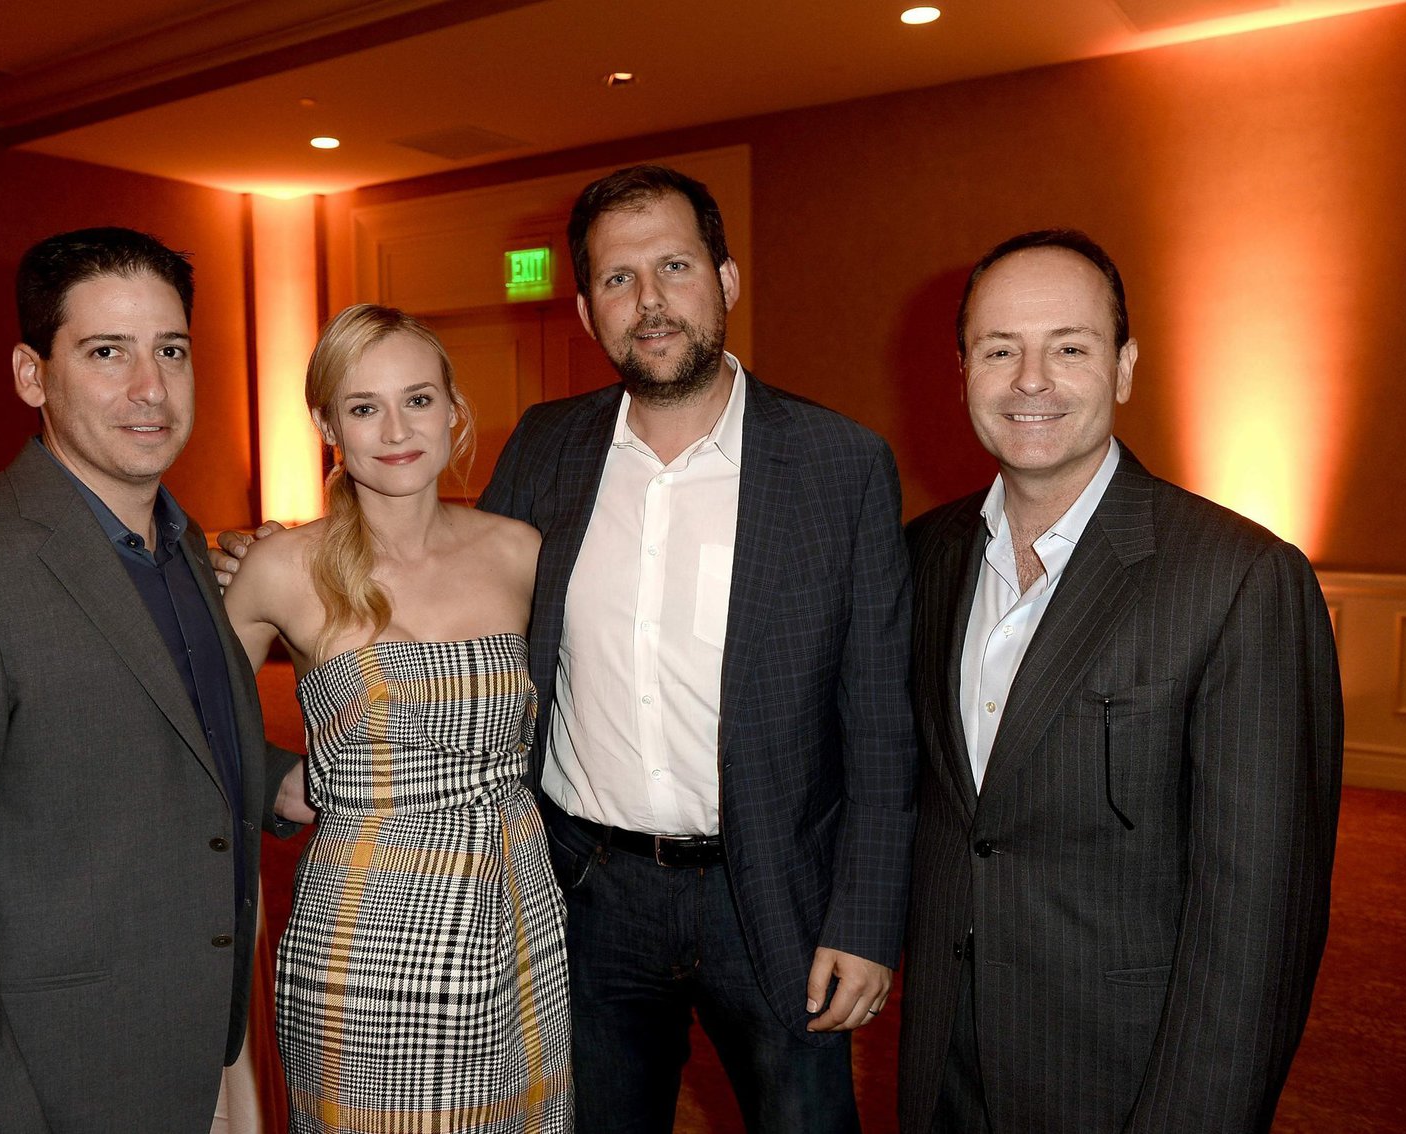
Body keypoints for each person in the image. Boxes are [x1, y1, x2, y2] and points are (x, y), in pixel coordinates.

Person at [217, 165, 917, 1130]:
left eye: (674, 265)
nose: (651, 300)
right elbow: (424, 586)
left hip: (770, 897)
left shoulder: (838, 464)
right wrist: (277, 560)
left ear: (725, 278)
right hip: (581, 895)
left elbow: (882, 719)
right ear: (588, 310)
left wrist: (866, 923)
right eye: (619, 279)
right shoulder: (547, 450)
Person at [0, 227, 308, 1133]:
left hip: (175, 1039)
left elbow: (168, 744)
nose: (151, 388)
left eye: (170, 350)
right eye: (106, 353)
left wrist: (290, 783)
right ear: (30, 374)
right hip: (46, 1074)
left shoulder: (179, 546)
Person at [898, 229, 1342, 1133]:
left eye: (1069, 347)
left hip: (1121, 1074)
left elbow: (1259, 925)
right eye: (998, 350)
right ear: (961, 370)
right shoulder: (922, 557)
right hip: (942, 1057)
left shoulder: (1240, 579)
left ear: (1124, 367)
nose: (1031, 379)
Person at [220, 303, 571, 1133]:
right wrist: (279, 784)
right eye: (363, 406)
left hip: (516, 905)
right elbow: (189, 729)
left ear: (454, 409)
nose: (394, 430)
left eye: (417, 400)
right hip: (368, 927)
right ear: (325, 422)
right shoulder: (278, 566)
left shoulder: (522, 551)